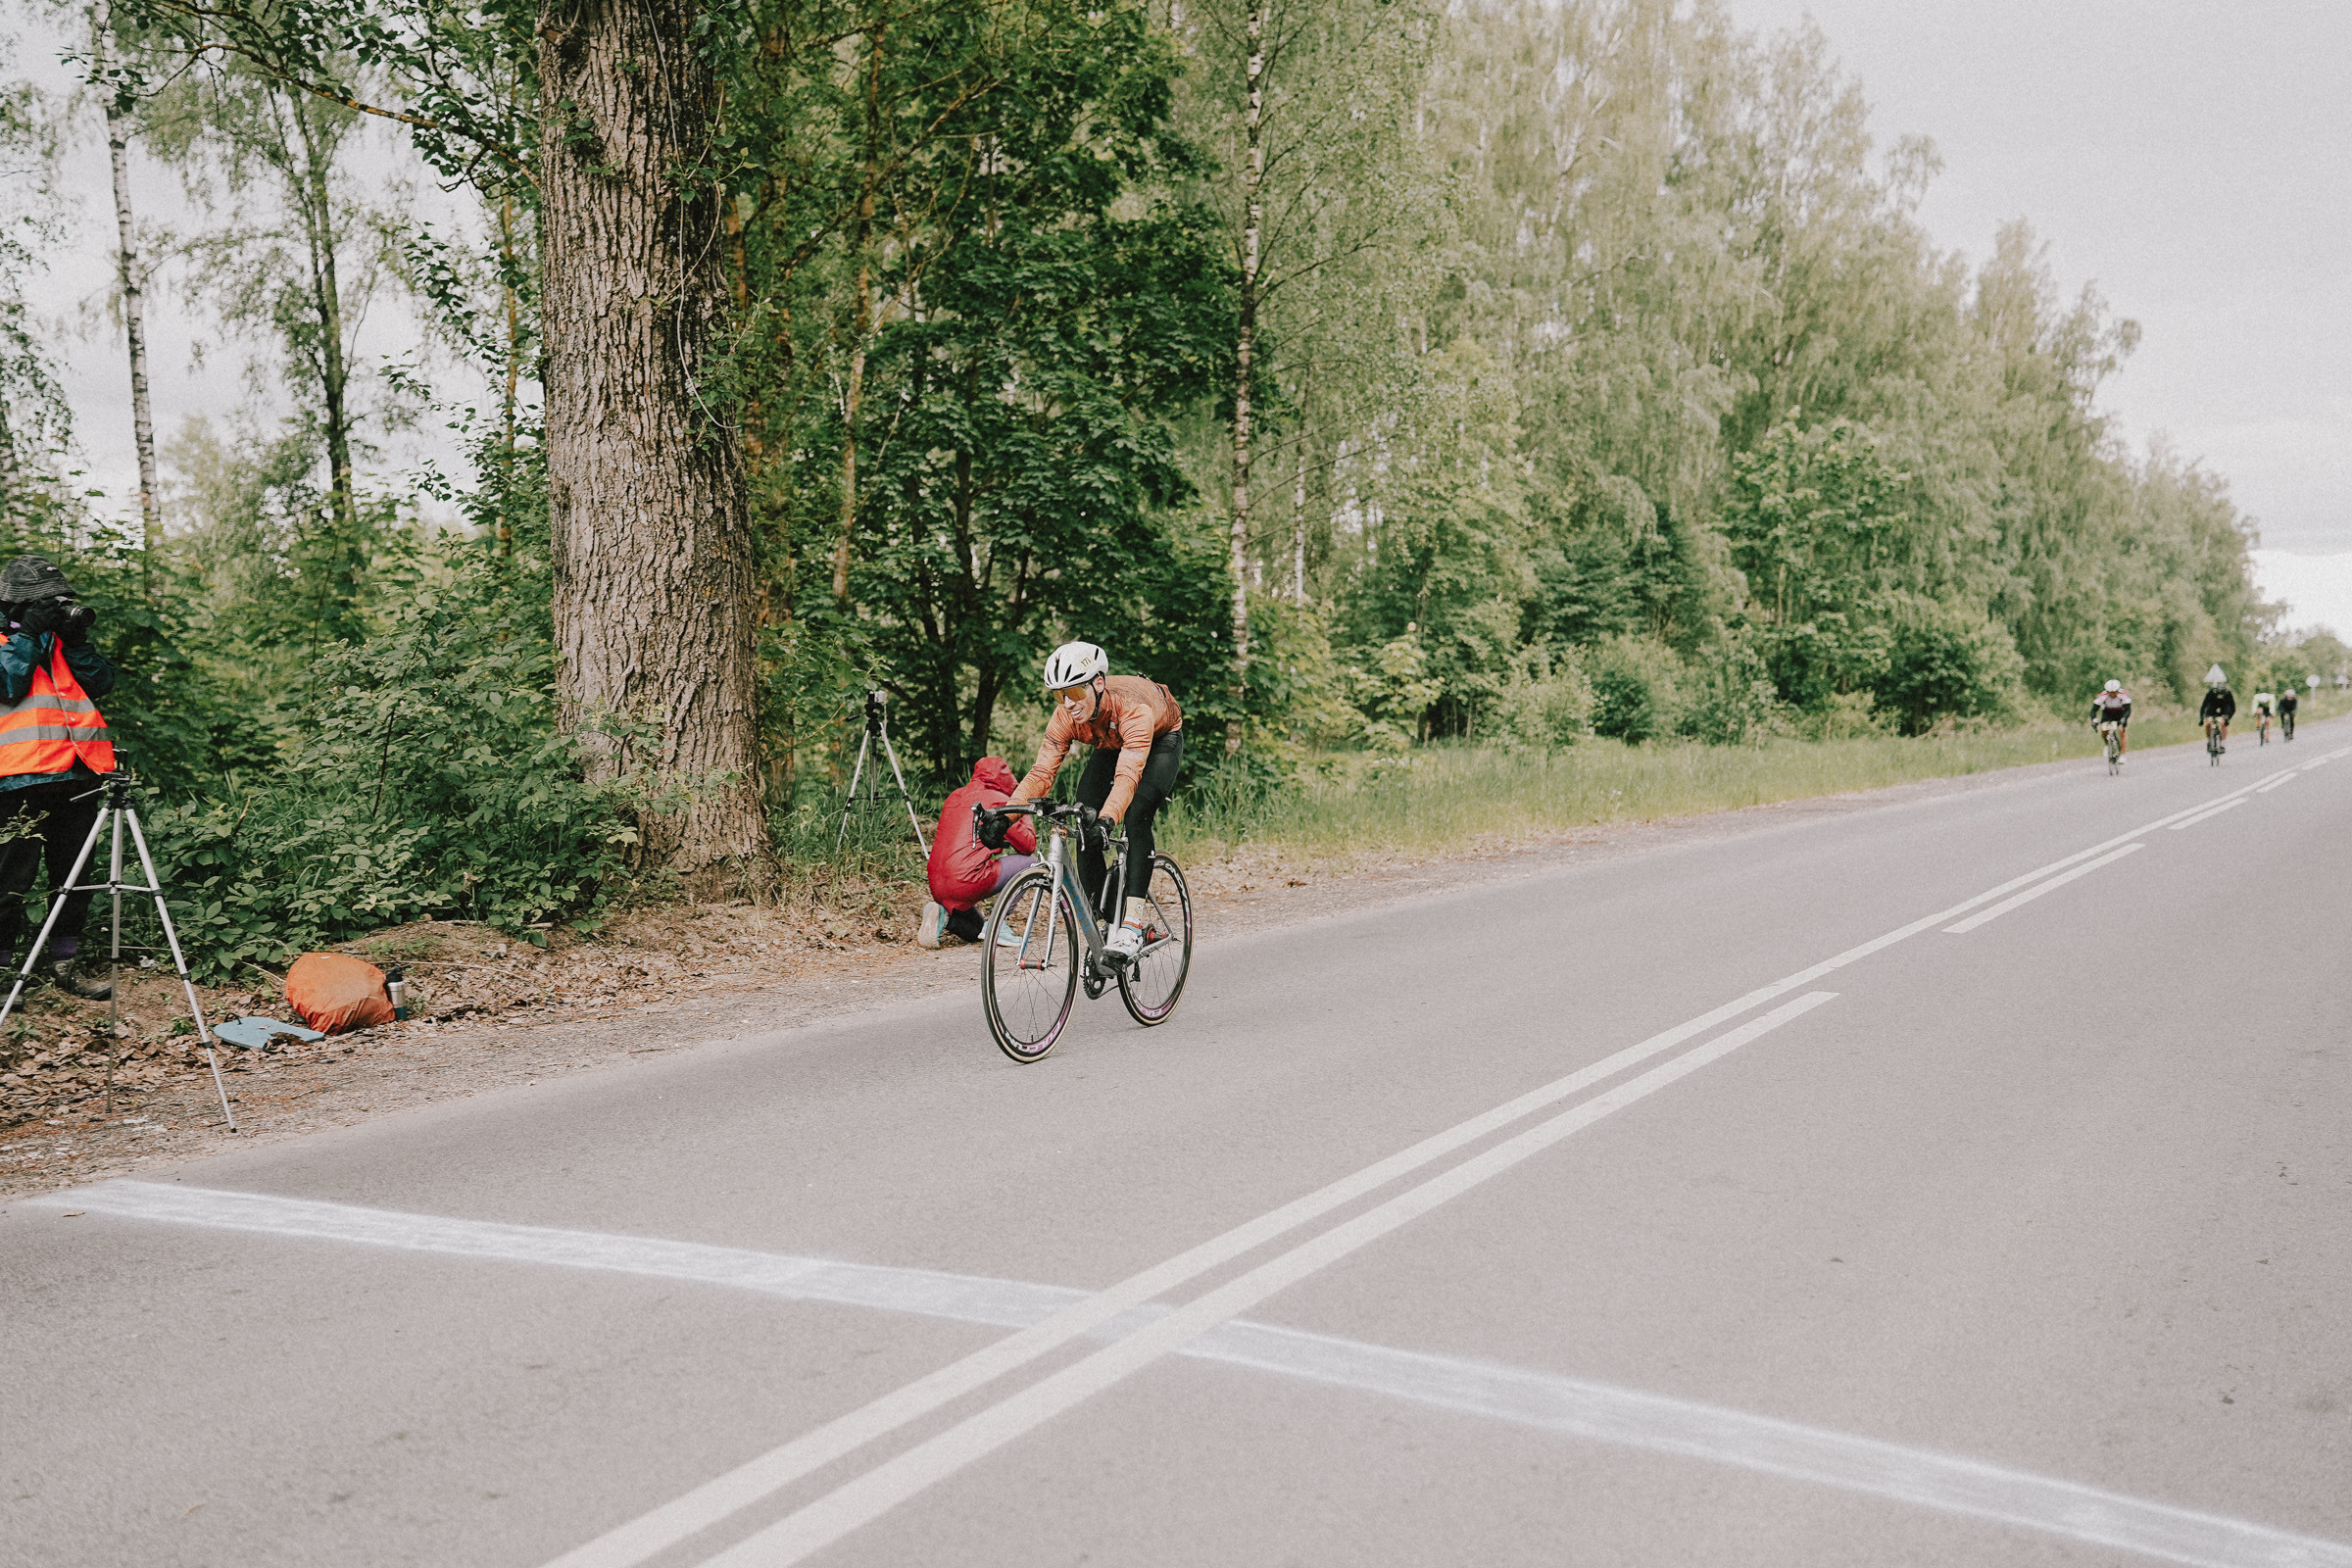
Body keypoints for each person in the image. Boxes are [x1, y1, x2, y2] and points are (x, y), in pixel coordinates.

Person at [1005, 641, 1182, 962]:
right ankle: (1103, 924)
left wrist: (1109, 818)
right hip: (1111, 740)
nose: (1068, 704)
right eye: (1059, 696)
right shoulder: (1067, 716)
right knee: (1081, 819)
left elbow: (1128, 776)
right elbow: (1041, 772)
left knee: (1136, 815)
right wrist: (1005, 816)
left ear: (1098, 683)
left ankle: (1131, 926)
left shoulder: (1133, 708)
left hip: (1158, 740)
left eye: (1074, 693)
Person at [0, 555, 119, 1000]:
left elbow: (100, 682)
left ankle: (65, 967)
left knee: (75, 877)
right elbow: (7, 684)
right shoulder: (15, 637)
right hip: (17, 778)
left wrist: (76, 639)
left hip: (77, 771)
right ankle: (3, 977)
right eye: (46, 603)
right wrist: (27, 634)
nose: (56, 609)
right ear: (15, 604)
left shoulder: (57, 640)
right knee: (9, 883)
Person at [917, 756, 1038, 948]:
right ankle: (999, 925)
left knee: (977, 930)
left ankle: (943, 916)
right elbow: (1028, 845)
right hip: (966, 880)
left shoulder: (955, 796)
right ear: (1007, 780)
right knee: (1030, 862)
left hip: (937, 884)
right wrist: (1023, 809)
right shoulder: (999, 800)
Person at [2089, 678, 2132, 759]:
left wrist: (2124, 719)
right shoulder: (2103, 696)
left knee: (2121, 730)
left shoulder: (2123, 695)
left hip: (2120, 713)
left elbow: (2128, 710)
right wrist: (2094, 719)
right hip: (2108, 713)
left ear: (2117, 690)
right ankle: (2108, 745)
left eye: (2114, 692)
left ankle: (2123, 754)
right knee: (2104, 730)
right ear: (2107, 691)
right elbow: (2093, 711)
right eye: (2110, 692)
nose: (2112, 694)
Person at [2199, 665, 2235, 752]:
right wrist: (2202, 718)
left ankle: (2222, 744)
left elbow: (2232, 708)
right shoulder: (2211, 692)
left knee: (2224, 724)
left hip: (2224, 709)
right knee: (2207, 724)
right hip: (2212, 708)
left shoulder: (2227, 693)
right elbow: (2204, 706)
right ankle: (2209, 741)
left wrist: (2228, 718)